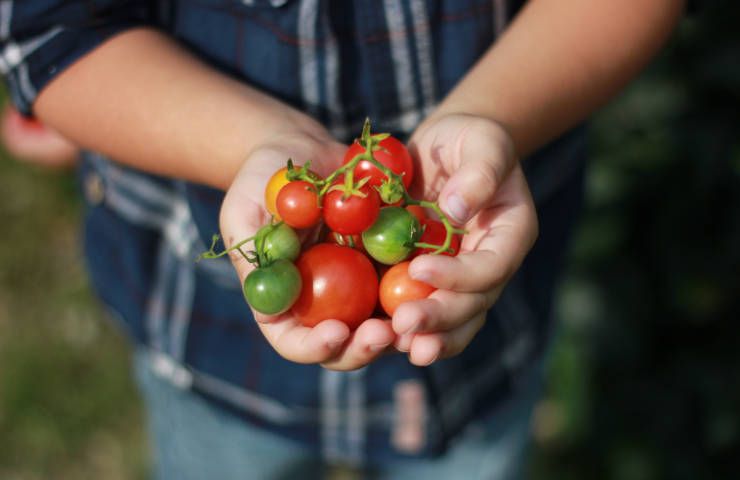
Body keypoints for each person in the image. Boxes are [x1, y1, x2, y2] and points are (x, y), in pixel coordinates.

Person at [1, 1, 684, 478]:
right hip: (210, 342)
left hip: (483, 350)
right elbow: (47, 34)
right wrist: (255, 144)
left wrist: (491, 118)